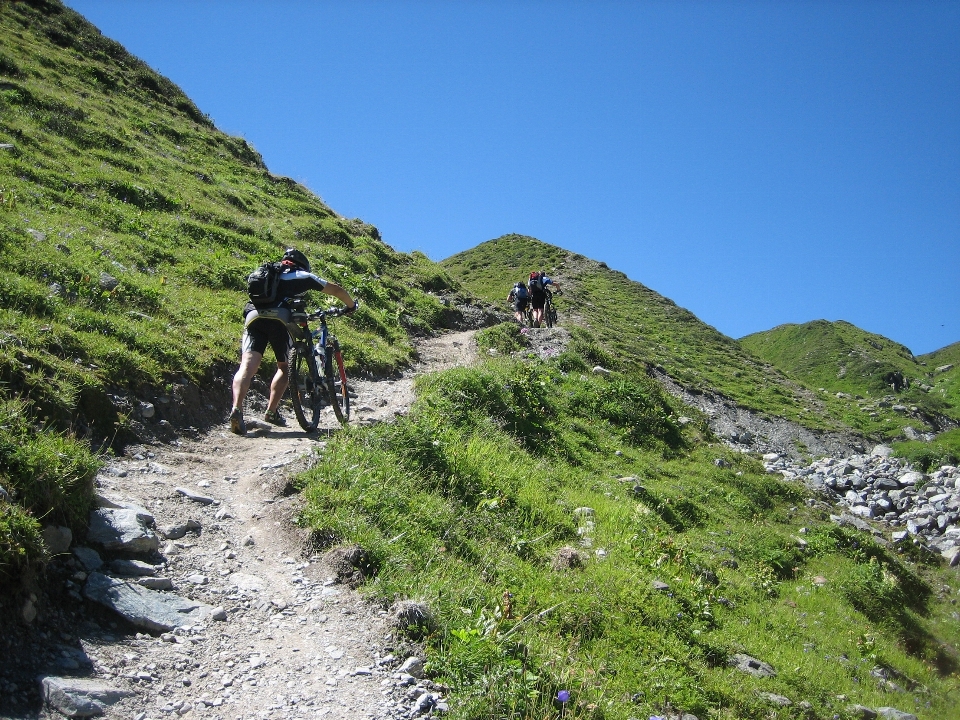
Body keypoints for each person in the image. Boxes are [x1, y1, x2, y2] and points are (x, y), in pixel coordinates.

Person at [229, 248, 357, 435]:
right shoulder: (301, 275)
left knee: (247, 366)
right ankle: (271, 411)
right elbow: (336, 289)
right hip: (280, 319)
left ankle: (237, 408)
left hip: (253, 316)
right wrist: (351, 306)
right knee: (284, 366)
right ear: (302, 264)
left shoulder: (268, 271)